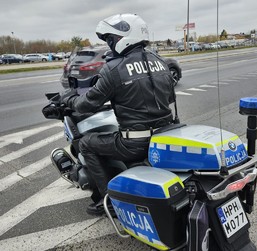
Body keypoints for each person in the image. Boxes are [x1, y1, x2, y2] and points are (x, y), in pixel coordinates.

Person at [60, 13, 178, 216]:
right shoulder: (161, 62)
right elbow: (169, 98)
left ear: (123, 38)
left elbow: (86, 104)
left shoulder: (113, 69)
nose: (109, 45)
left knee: (87, 143)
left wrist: (68, 100)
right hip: (166, 136)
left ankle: (109, 200)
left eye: (110, 40)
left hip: (134, 145)